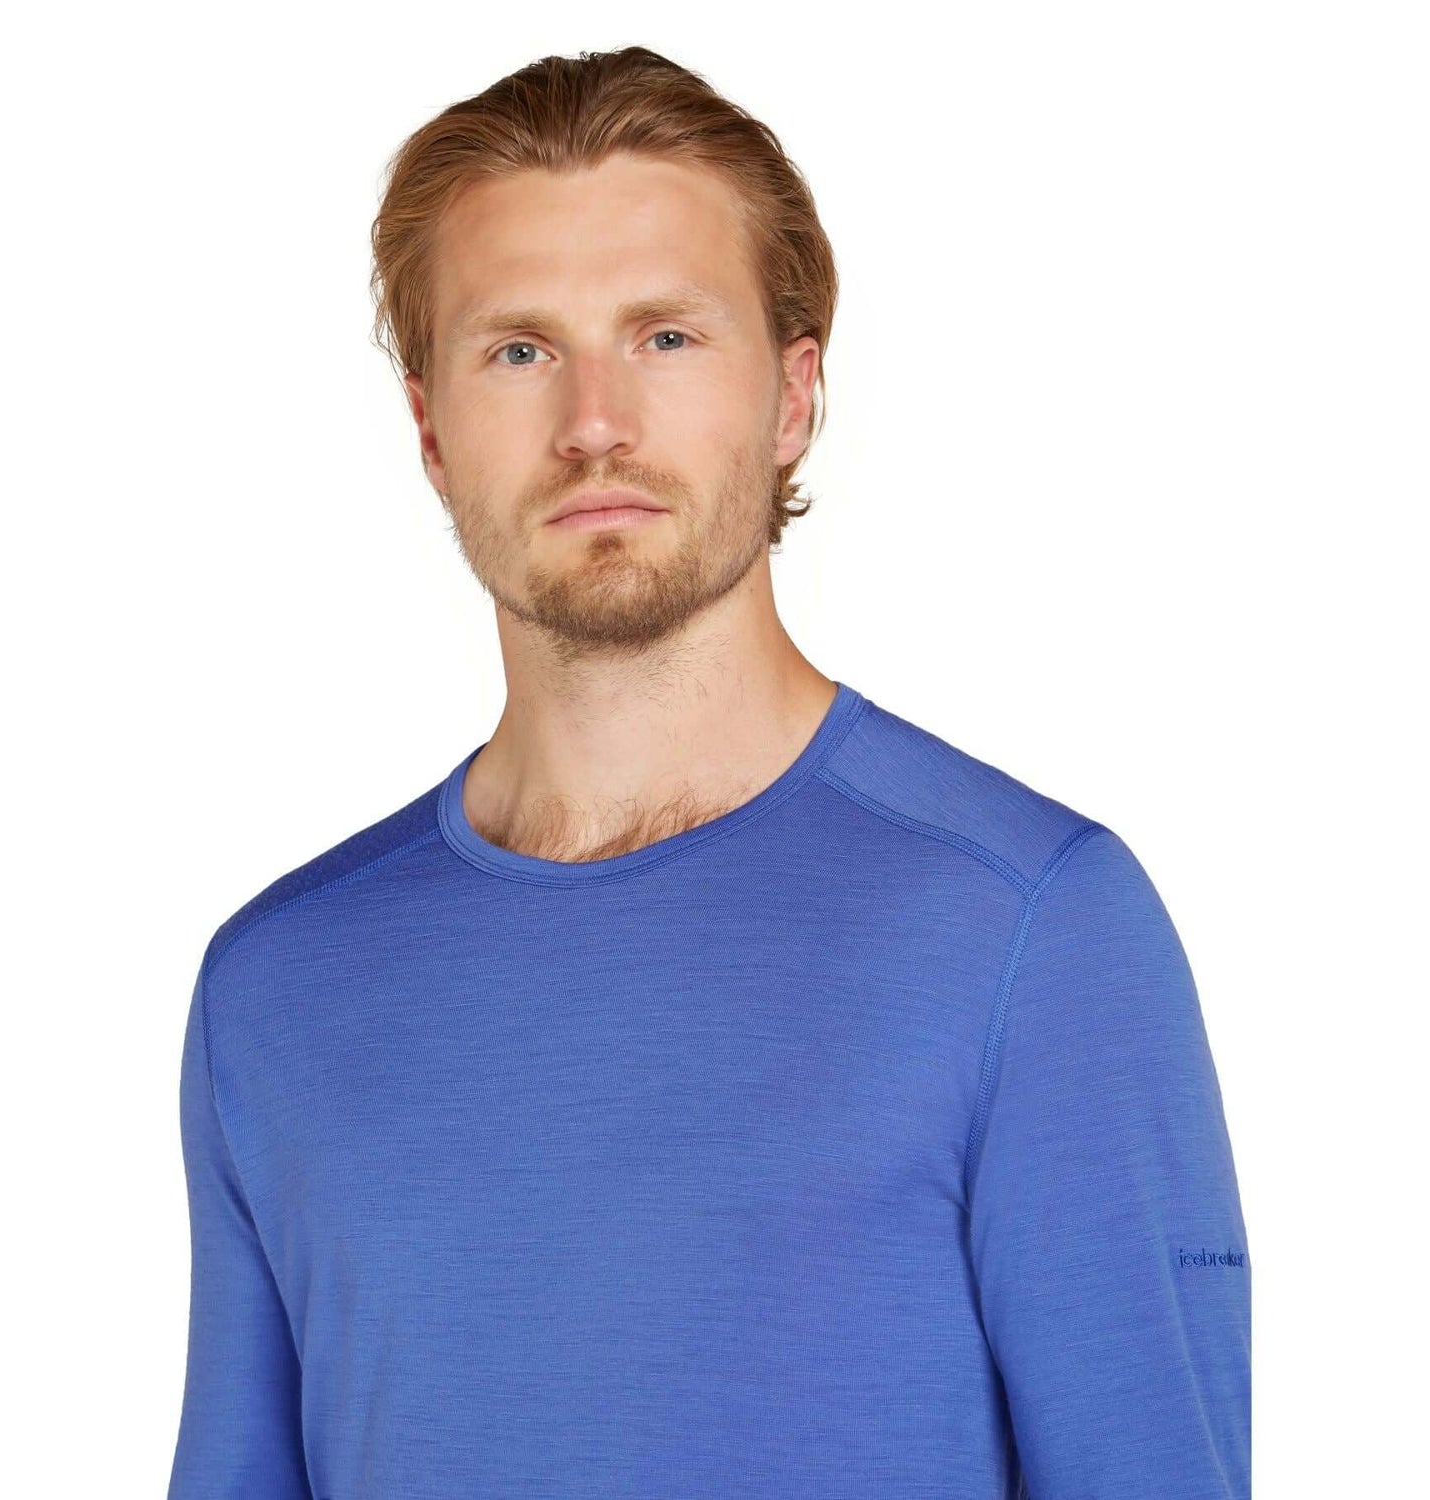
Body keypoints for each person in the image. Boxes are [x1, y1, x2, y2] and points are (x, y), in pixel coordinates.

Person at [167, 45, 1251, 1500]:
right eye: (518, 350)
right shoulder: (276, 989)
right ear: (429, 426)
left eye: (666, 337)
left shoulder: (1033, 930)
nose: (594, 421)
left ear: (793, 397)